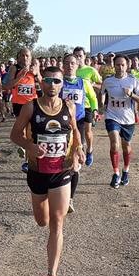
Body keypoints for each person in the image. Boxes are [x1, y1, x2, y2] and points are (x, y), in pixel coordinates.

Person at [10, 63, 83, 276]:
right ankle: (47, 216)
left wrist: (79, 148)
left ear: (63, 84)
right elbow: (15, 135)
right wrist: (29, 145)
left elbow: (74, 130)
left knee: (57, 222)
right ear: (41, 83)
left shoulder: (69, 106)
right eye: (48, 80)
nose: (52, 85)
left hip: (61, 171)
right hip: (37, 172)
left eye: (57, 81)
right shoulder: (31, 107)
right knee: (42, 221)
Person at [102, 56, 139, 188]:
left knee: (126, 146)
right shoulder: (108, 81)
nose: (120, 67)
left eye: (122, 65)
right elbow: (102, 93)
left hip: (128, 119)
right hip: (112, 116)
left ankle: (125, 171)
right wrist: (101, 104)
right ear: (114, 66)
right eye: (117, 65)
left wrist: (131, 95)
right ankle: (116, 174)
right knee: (114, 144)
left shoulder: (133, 81)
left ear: (127, 66)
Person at [60, 54, 95, 213]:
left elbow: (93, 98)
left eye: (72, 63)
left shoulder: (84, 82)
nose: (69, 66)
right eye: (66, 63)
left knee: (74, 160)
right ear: (63, 65)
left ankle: (70, 199)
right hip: (61, 123)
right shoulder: (58, 82)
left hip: (78, 122)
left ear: (77, 65)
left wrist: (94, 110)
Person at [8, 48, 40, 171]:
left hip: (32, 104)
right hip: (19, 104)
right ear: (18, 57)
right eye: (22, 55)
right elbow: (8, 85)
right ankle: (23, 148)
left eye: (27, 55)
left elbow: (42, 84)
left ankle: (27, 161)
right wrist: (20, 77)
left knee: (30, 133)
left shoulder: (35, 68)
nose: (25, 58)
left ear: (31, 58)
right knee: (20, 133)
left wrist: (36, 74)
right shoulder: (14, 69)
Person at [73, 47, 103, 167]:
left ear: (85, 57)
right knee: (75, 131)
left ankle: (90, 150)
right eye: (76, 56)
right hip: (74, 106)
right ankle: (76, 153)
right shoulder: (70, 70)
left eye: (80, 56)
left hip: (87, 105)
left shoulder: (90, 70)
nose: (78, 58)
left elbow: (102, 84)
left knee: (87, 131)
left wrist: (92, 84)